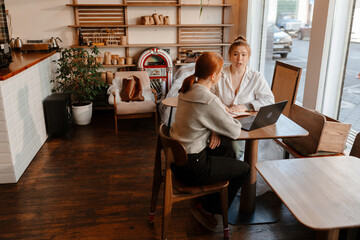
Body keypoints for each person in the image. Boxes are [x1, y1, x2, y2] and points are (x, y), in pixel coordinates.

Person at [170, 52, 250, 231]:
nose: (221, 75)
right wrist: (223, 121)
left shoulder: (188, 89)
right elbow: (235, 130)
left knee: (227, 150)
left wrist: (215, 128)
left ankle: (206, 199)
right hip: (194, 167)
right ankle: (208, 209)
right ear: (214, 76)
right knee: (244, 169)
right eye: (221, 72)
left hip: (180, 162)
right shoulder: (207, 99)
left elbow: (203, 117)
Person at [213, 35, 275, 159]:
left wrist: (246, 106)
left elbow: (269, 100)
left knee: (236, 151)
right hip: (220, 122)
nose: (239, 59)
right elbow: (209, 97)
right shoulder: (219, 74)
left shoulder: (256, 77)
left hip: (244, 124)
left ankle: (237, 172)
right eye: (235, 54)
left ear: (248, 57)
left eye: (243, 55)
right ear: (230, 56)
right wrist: (220, 107)